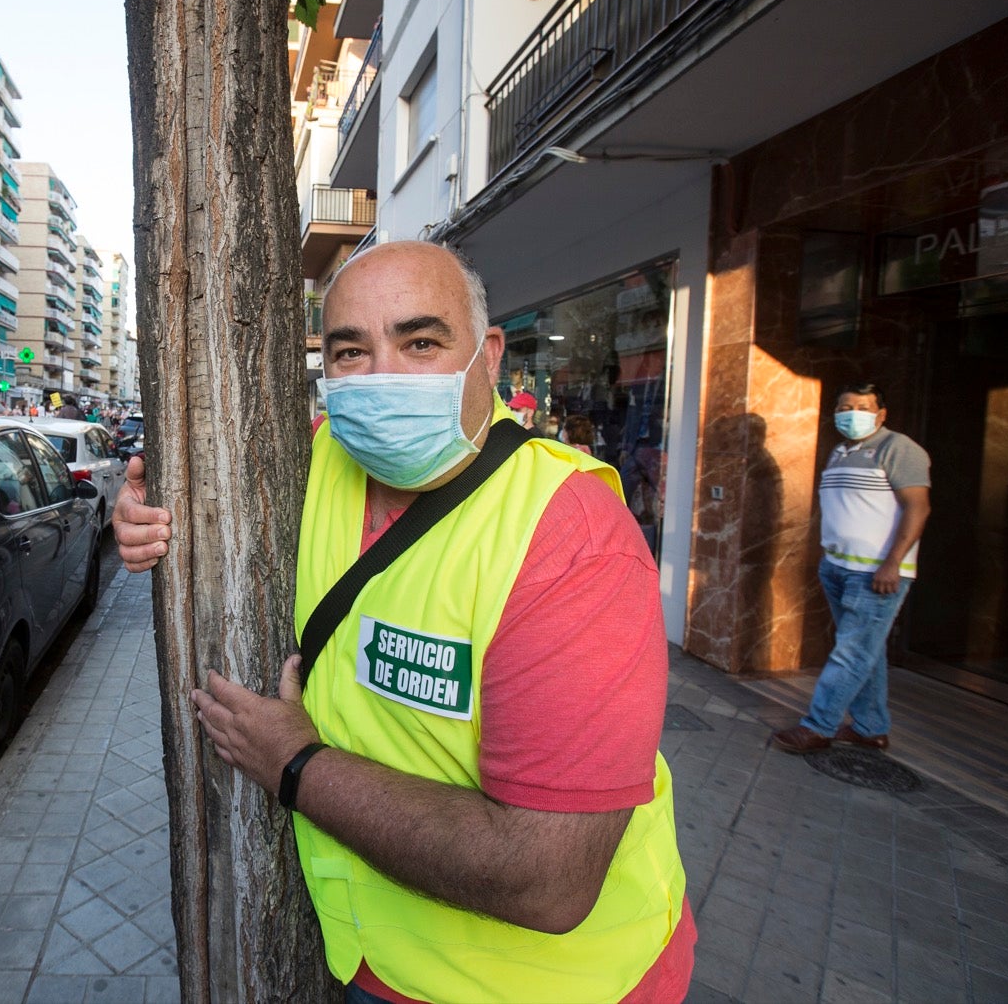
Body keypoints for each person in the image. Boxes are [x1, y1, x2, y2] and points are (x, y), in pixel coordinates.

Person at [114, 241, 692, 1002]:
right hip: (365, 961)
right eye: (352, 351)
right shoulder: (316, 459)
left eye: (421, 342)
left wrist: (296, 765)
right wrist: (146, 509)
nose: (382, 376)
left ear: (488, 357)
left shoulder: (571, 537)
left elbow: (547, 877)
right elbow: (189, 478)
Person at [773, 382, 931, 754]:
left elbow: (918, 507)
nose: (852, 413)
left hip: (876, 574)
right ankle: (870, 727)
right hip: (839, 567)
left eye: (862, 407)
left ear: (881, 414)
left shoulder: (899, 449)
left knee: (851, 653)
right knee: (864, 652)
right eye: (846, 406)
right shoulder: (841, 451)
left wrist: (892, 563)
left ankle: (818, 726)